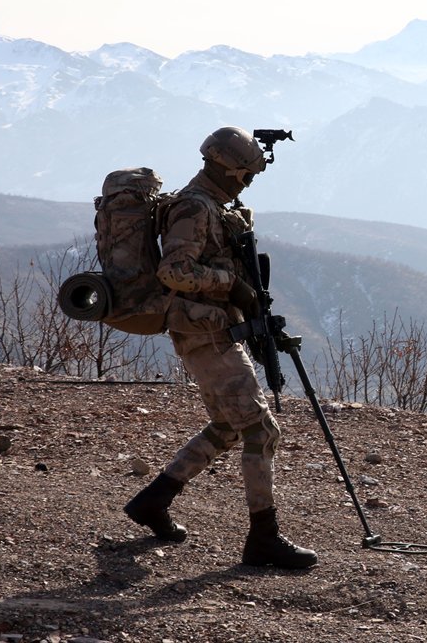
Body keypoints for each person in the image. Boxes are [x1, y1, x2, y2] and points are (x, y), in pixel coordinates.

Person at [123, 126, 318, 569]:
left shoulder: (213, 205)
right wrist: (231, 284)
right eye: (246, 174)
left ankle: (153, 501)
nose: (247, 182)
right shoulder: (194, 207)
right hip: (204, 333)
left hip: (215, 330)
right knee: (260, 429)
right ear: (227, 168)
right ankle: (263, 538)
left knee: (229, 426)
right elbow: (175, 271)